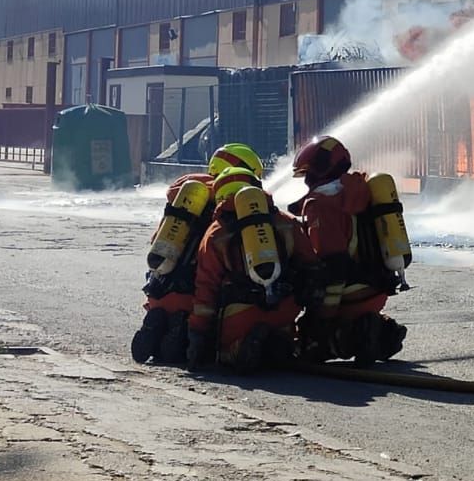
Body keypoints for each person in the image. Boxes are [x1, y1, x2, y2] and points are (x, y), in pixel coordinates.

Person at [132, 143, 264, 365]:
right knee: (198, 346)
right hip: (195, 298)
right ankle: (178, 329)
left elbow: (157, 243)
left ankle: (157, 320)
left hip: (160, 288)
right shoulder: (228, 205)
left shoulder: (185, 199)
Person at [290, 136, 411, 364]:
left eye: (308, 173)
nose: (307, 179)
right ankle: (380, 330)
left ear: (319, 169)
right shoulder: (362, 190)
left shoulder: (321, 205)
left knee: (307, 348)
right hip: (377, 289)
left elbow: (334, 266)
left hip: (348, 294)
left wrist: (322, 320)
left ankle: (352, 336)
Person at [185, 167, 303, 373]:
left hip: (238, 315)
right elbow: (310, 264)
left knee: (223, 355)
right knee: (283, 344)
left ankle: (237, 351)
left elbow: (206, 288)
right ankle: (281, 346)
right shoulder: (286, 222)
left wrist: (197, 334)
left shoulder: (215, 233)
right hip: (283, 308)